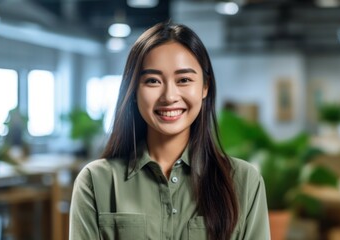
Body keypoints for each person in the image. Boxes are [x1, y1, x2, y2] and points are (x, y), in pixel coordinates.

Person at [69, 22, 270, 240]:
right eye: (153, 81)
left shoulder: (244, 181)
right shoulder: (96, 181)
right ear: (134, 90)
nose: (169, 96)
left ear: (205, 87)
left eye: (184, 80)